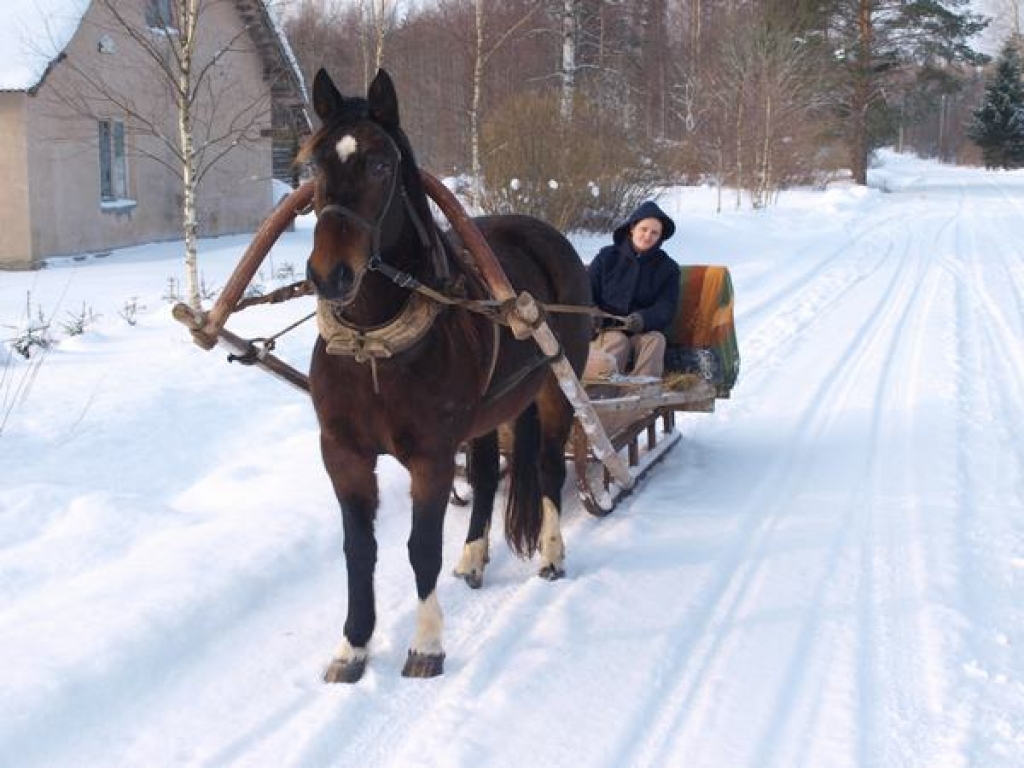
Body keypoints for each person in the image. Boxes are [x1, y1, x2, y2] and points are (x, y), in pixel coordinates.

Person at [584, 200, 680, 380]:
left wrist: (643, 319)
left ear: (660, 237)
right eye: (643, 229)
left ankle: (640, 396)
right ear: (632, 228)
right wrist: (593, 314)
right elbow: (586, 292)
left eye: (654, 233)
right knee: (618, 341)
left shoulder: (668, 268)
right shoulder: (606, 257)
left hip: (642, 331)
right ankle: (601, 390)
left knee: (656, 340)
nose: (647, 236)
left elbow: (666, 306)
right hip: (606, 331)